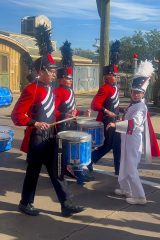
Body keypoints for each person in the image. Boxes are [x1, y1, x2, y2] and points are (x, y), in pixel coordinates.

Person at [11, 54, 84, 217]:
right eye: (51, 70)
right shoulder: (31, 89)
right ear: (40, 71)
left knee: (57, 170)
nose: (54, 74)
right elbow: (17, 115)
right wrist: (34, 123)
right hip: (37, 138)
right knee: (33, 172)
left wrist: (66, 114)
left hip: (51, 136)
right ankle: (25, 203)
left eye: (54, 71)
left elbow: (52, 111)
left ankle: (66, 204)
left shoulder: (50, 89)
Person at [107, 60, 154, 205]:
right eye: (134, 92)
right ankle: (126, 189)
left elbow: (134, 123)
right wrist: (121, 111)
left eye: (138, 93)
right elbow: (129, 115)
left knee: (131, 167)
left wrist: (116, 124)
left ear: (143, 94)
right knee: (124, 164)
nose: (135, 94)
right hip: (127, 138)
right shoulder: (135, 104)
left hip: (133, 140)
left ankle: (140, 197)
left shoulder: (140, 107)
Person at [55, 67, 93, 185]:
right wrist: (63, 115)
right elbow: (52, 110)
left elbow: (73, 110)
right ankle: (61, 174)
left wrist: (82, 113)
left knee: (73, 150)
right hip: (62, 126)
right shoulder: (57, 91)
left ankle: (76, 172)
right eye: (67, 78)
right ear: (61, 79)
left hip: (72, 124)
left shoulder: (70, 91)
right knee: (62, 151)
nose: (70, 80)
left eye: (71, 78)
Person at [87, 64, 121, 175]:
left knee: (113, 144)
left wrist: (121, 110)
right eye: (113, 75)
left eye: (116, 75)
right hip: (106, 121)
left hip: (115, 120)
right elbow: (94, 105)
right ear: (107, 76)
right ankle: (90, 160)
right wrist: (107, 111)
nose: (116, 77)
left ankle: (118, 169)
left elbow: (114, 104)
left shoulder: (115, 88)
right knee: (108, 144)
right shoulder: (105, 88)